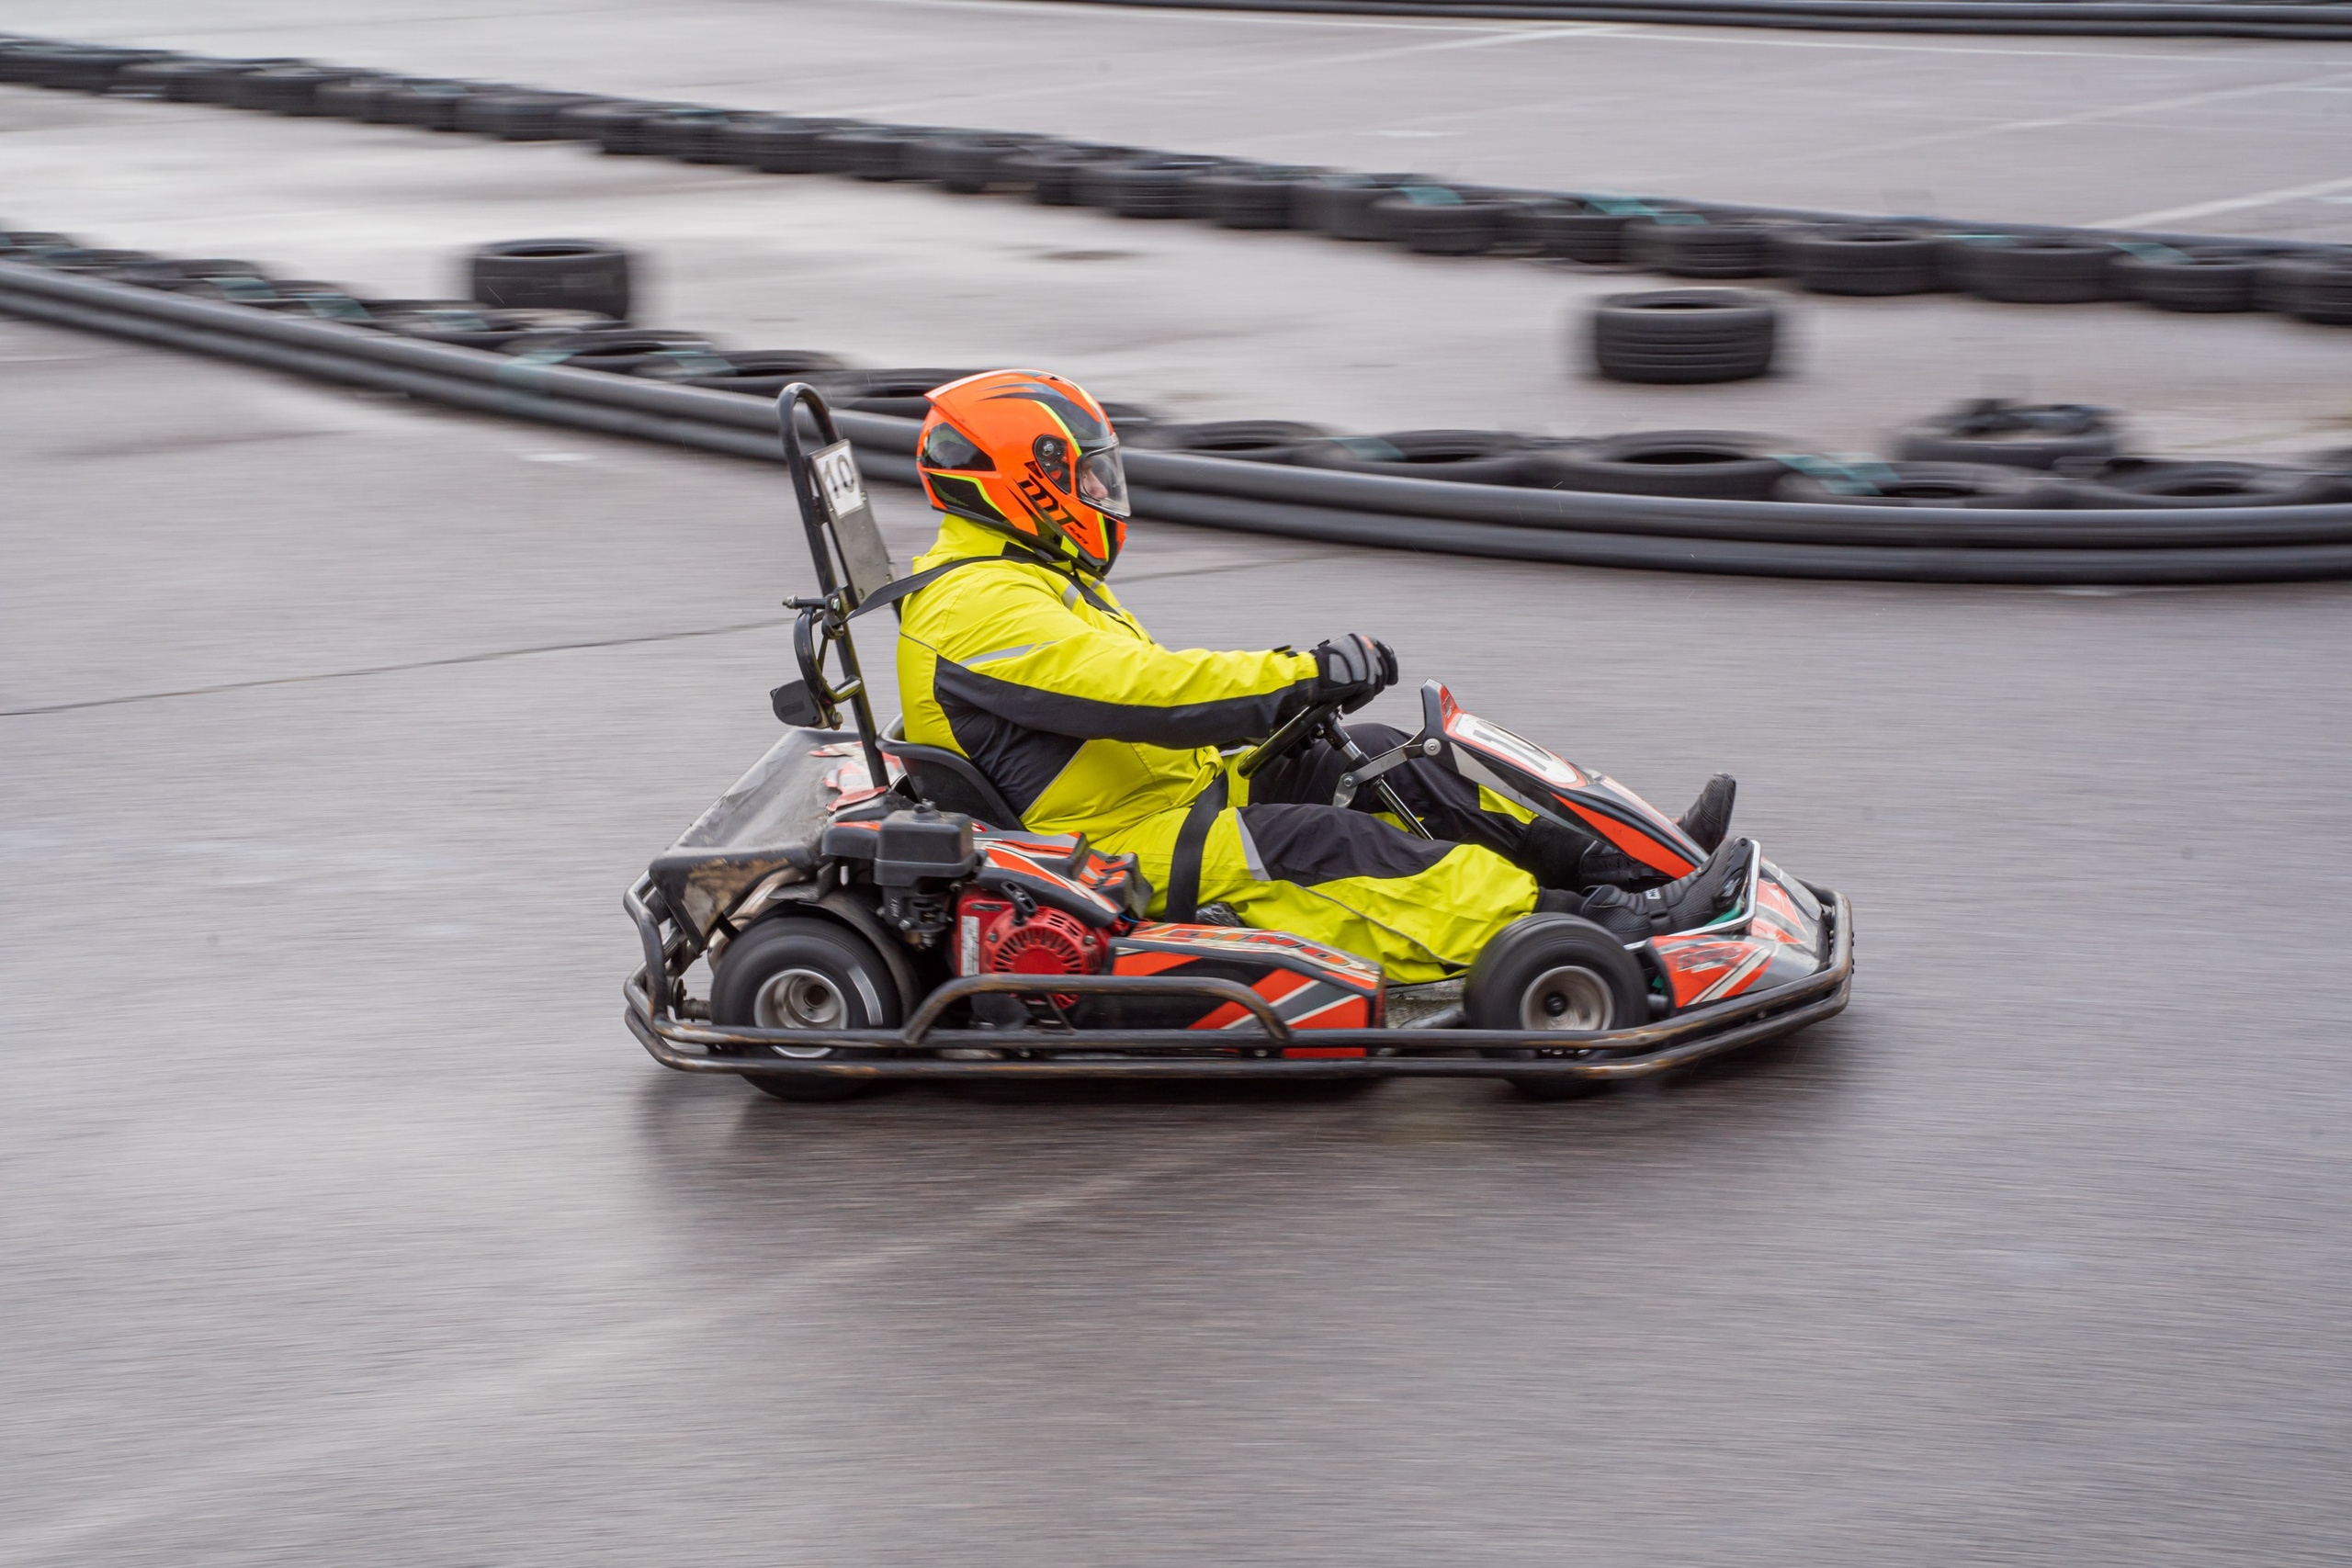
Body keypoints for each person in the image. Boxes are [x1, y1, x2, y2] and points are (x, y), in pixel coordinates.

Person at [893, 369, 1747, 984]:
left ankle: (1627, 868)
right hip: (1109, 852)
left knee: (1385, 755)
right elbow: (1139, 690)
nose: (1101, 492)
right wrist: (1298, 674)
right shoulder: (974, 604)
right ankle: (1613, 935)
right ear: (1025, 482)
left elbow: (1141, 694)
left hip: (1173, 801)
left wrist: (1307, 692)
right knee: (1344, 846)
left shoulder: (1026, 576)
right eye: (1084, 474)